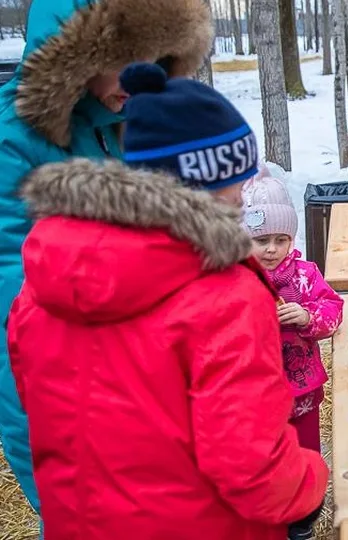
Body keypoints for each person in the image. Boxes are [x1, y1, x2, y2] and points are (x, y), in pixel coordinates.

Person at [6, 63, 327, 540]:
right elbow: (251, 467)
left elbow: (41, 410)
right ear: (207, 183)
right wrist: (311, 484)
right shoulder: (223, 297)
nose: (244, 194)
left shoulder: (41, 285)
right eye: (237, 179)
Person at [0, 0, 215, 517]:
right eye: (128, 57)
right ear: (78, 52)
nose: (142, 77)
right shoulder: (17, 139)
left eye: (161, 59)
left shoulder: (133, 120)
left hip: (146, 387)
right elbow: (12, 290)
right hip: (67, 396)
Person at [242, 172, 344, 540]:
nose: (271, 249)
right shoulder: (237, 277)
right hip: (255, 398)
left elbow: (333, 309)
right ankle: (272, 519)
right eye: (261, 240)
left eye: (280, 240)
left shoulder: (304, 276)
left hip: (302, 391)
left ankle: (302, 520)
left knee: (305, 455)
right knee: (267, 461)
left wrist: (308, 317)